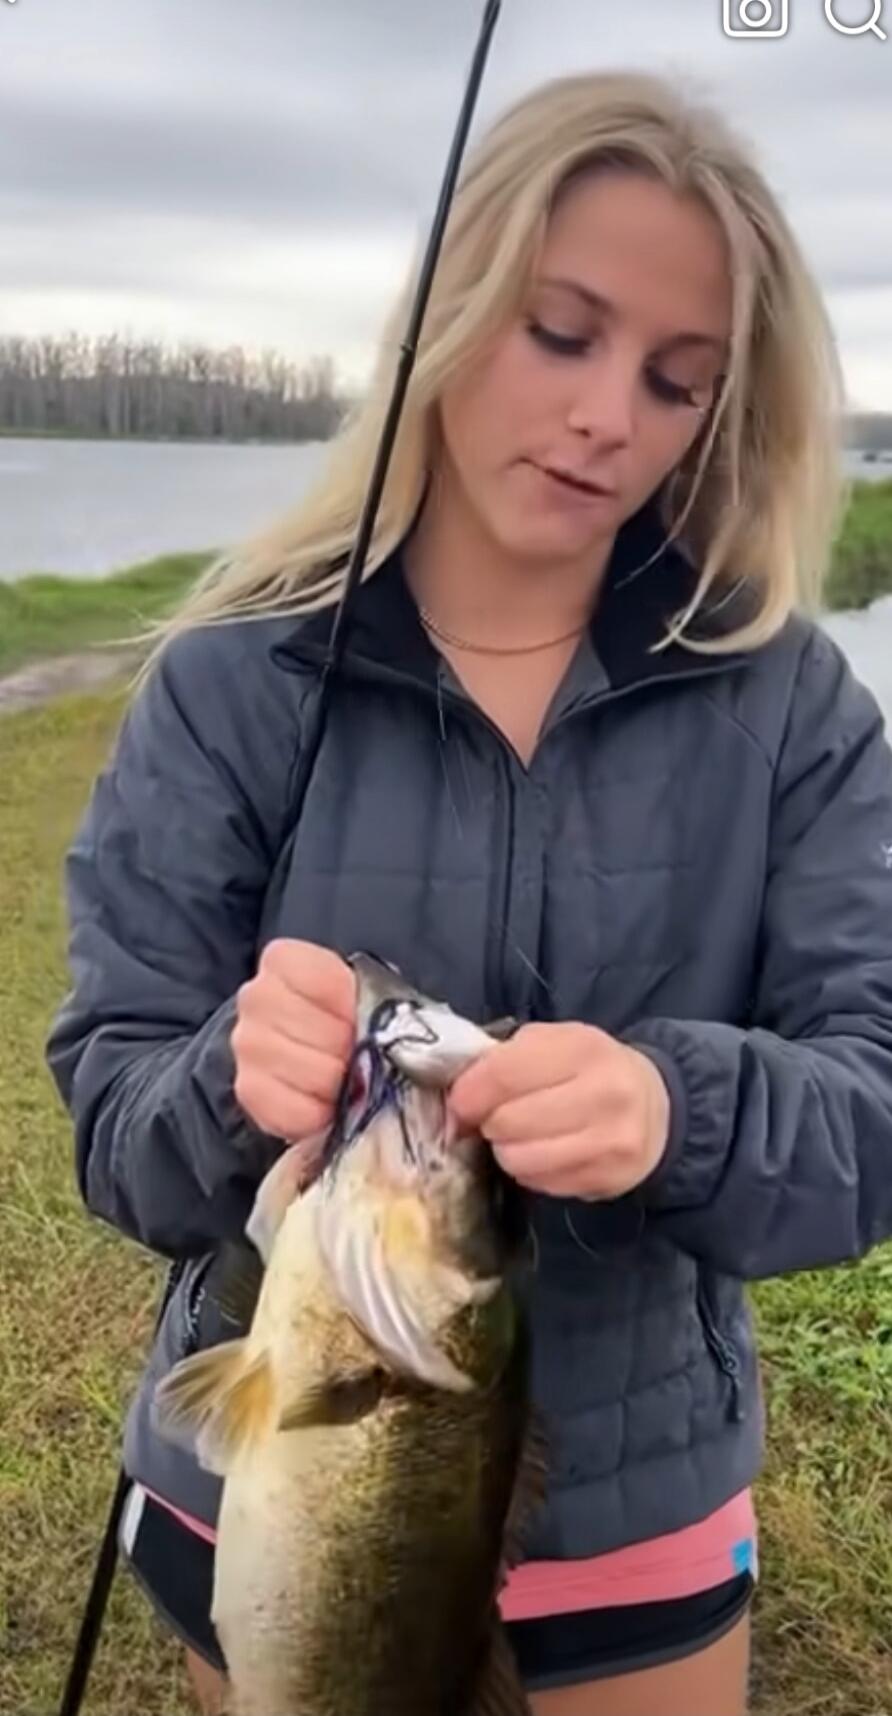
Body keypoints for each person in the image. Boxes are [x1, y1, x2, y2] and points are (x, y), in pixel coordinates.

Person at [46, 66, 892, 1716]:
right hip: (278, 1505)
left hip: (642, 1537)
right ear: (450, 311)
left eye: (676, 378)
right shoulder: (235, 679)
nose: (606, 418)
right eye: (560, 333)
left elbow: (877, 1098)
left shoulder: (791, 704)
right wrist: (226, 1084)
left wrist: (678, 1111)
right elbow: (110, 1116)